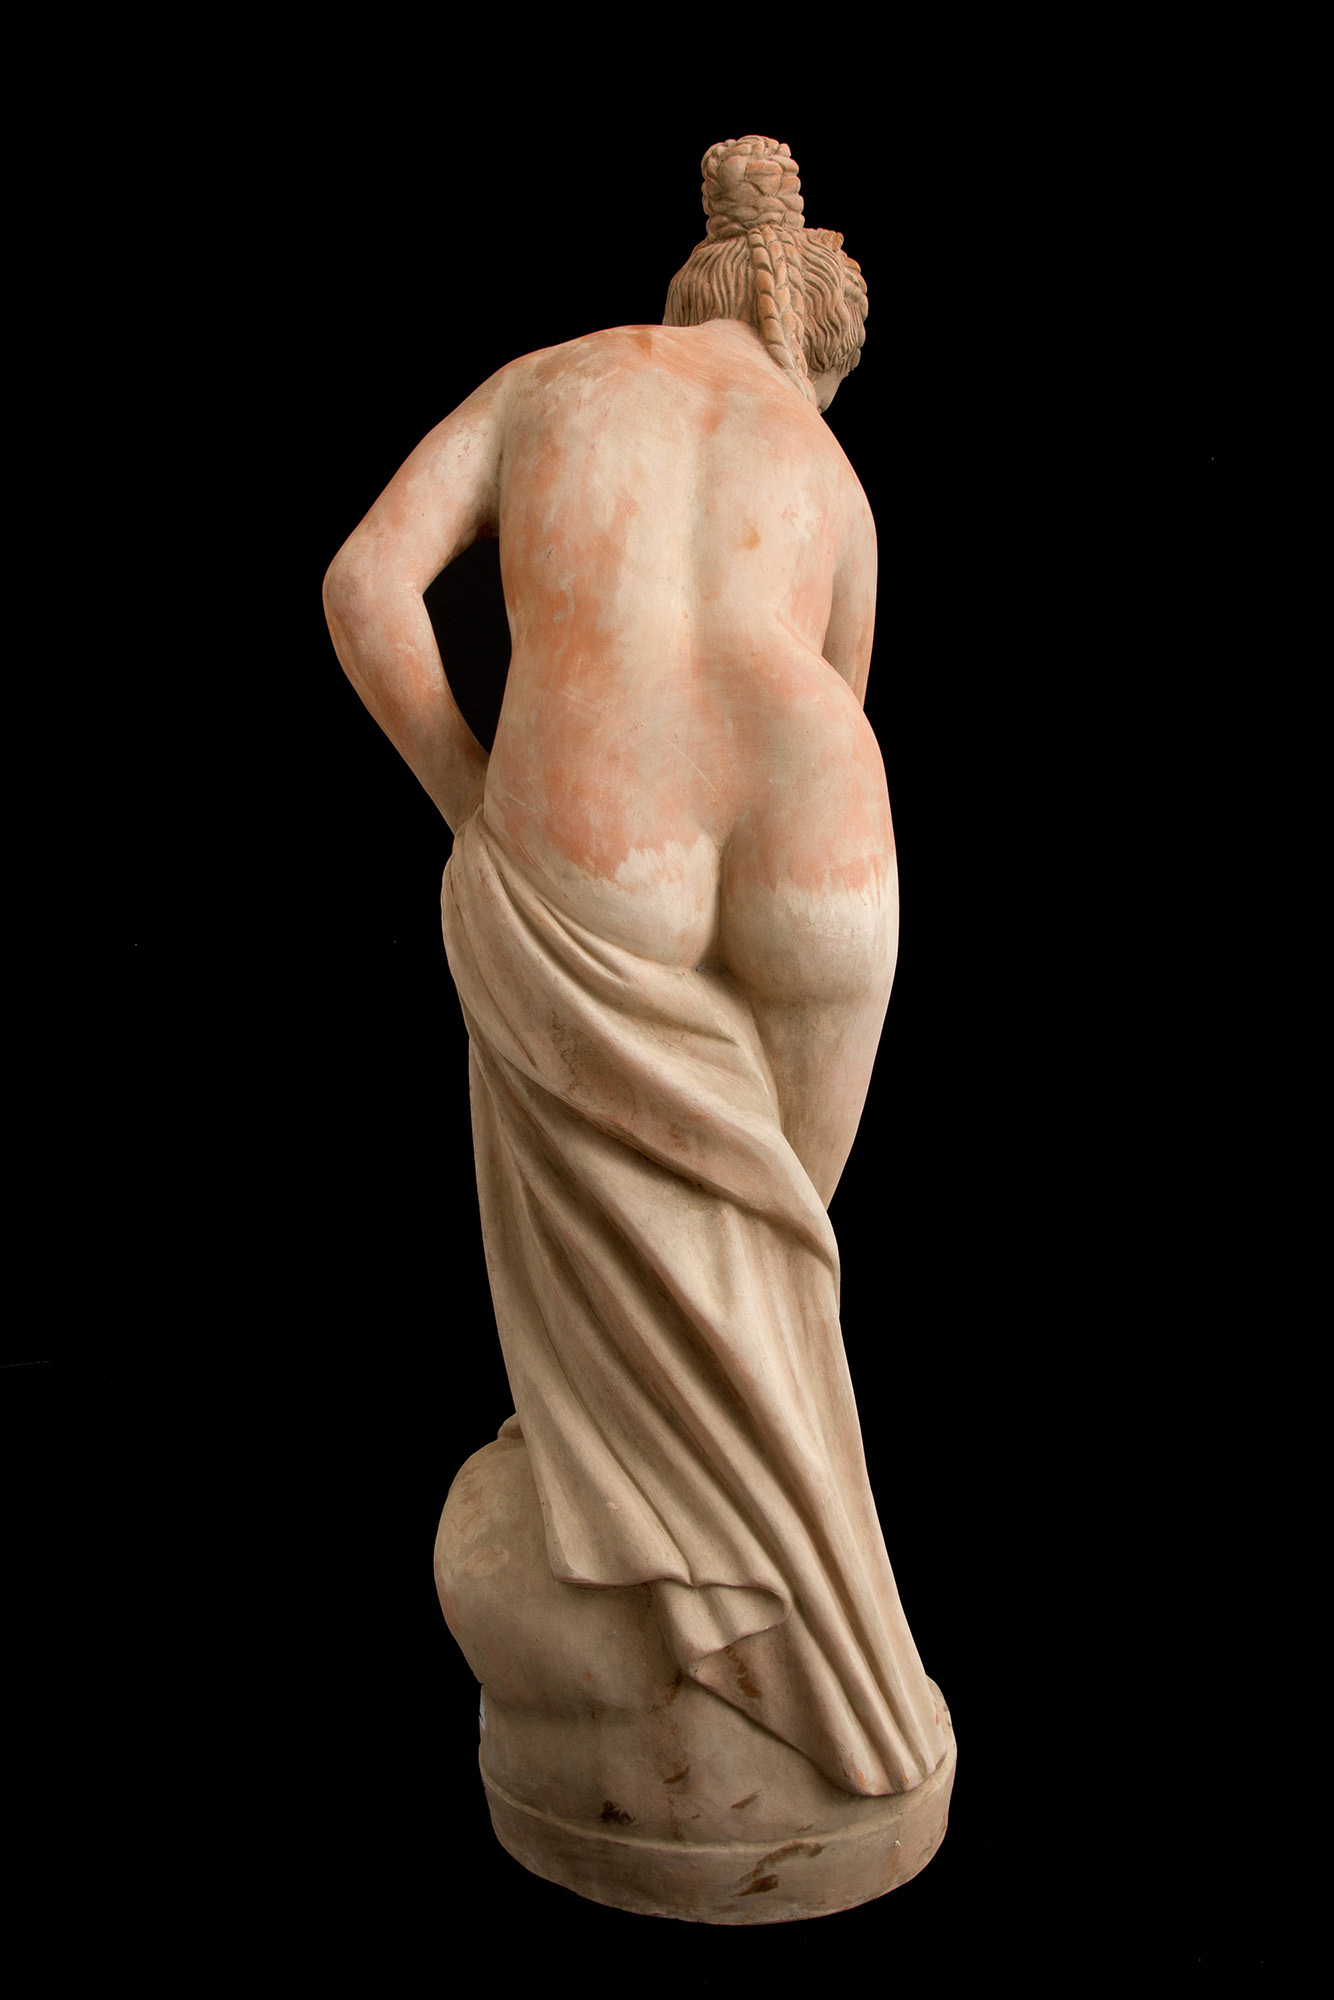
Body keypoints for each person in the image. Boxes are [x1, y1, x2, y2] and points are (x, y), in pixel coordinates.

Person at [323, 137, 949, 1807]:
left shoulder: (550, 380)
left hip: (602, 816)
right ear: (810, 344)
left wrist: (475, 807)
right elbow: (843, 689)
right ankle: (821, 1684)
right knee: (771, 1261)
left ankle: (662, 1604)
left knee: (646, 1278)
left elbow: (366, 586)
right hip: (827, 826)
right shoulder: (828, 467)